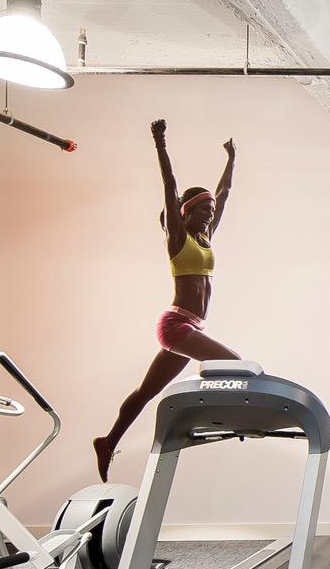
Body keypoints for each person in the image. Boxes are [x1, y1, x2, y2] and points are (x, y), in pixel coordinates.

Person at [93, 120, 241, 481]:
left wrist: (231, 160)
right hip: (176, 324)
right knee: (233, 364)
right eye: (202, 210)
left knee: (146, 391)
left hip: (190, 325)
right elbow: (169, 185)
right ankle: (205, 420)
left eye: (210, 210)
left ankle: (107, 441)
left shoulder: (206, 238)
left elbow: (224, 194)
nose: (209, 214)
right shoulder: (178, 238)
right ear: (184, 213)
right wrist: (160, 143)